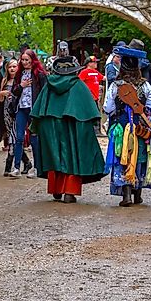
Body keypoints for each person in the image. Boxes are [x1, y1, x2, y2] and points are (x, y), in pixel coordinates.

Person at [30, 57, 106, 203]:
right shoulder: (78, 85)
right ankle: (69, 192)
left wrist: (38, 127)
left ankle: (56, 190)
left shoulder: (49, 85)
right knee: (72, 155)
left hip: (50, 125)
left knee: (54, 155)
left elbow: (38, 110)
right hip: (72, 125)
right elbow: (89, 110)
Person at [103, 47, 151, 207]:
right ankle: (137, 195)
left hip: (121, 127)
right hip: (141, 128)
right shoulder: (145, 85)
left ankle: (126, 195)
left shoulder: (115, 86)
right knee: (140, 157)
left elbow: (107, 108)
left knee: (123, 157)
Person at [8, 49, 47, 178]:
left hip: (33, 109)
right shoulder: (20, 74)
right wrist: (21, 85)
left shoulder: (39, 74)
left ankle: (37, 168)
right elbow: (15, 90)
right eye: (23, 60)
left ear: (32, 60)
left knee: (34, 138)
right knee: (19, 138)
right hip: (21, 108)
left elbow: (44, 92)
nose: (24, 62)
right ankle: (17, 167)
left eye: (27, 60)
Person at [0, 58, 31, 177]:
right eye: (10, 67)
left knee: (14, 137)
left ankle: (9, 165)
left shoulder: (19, 81)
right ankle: (26, 162)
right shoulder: (4, 80)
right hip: (7, 112)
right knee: (12, 137)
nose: (12, 69)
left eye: (14, 66)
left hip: (17, 111)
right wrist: (2, 94)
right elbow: (0, 99)